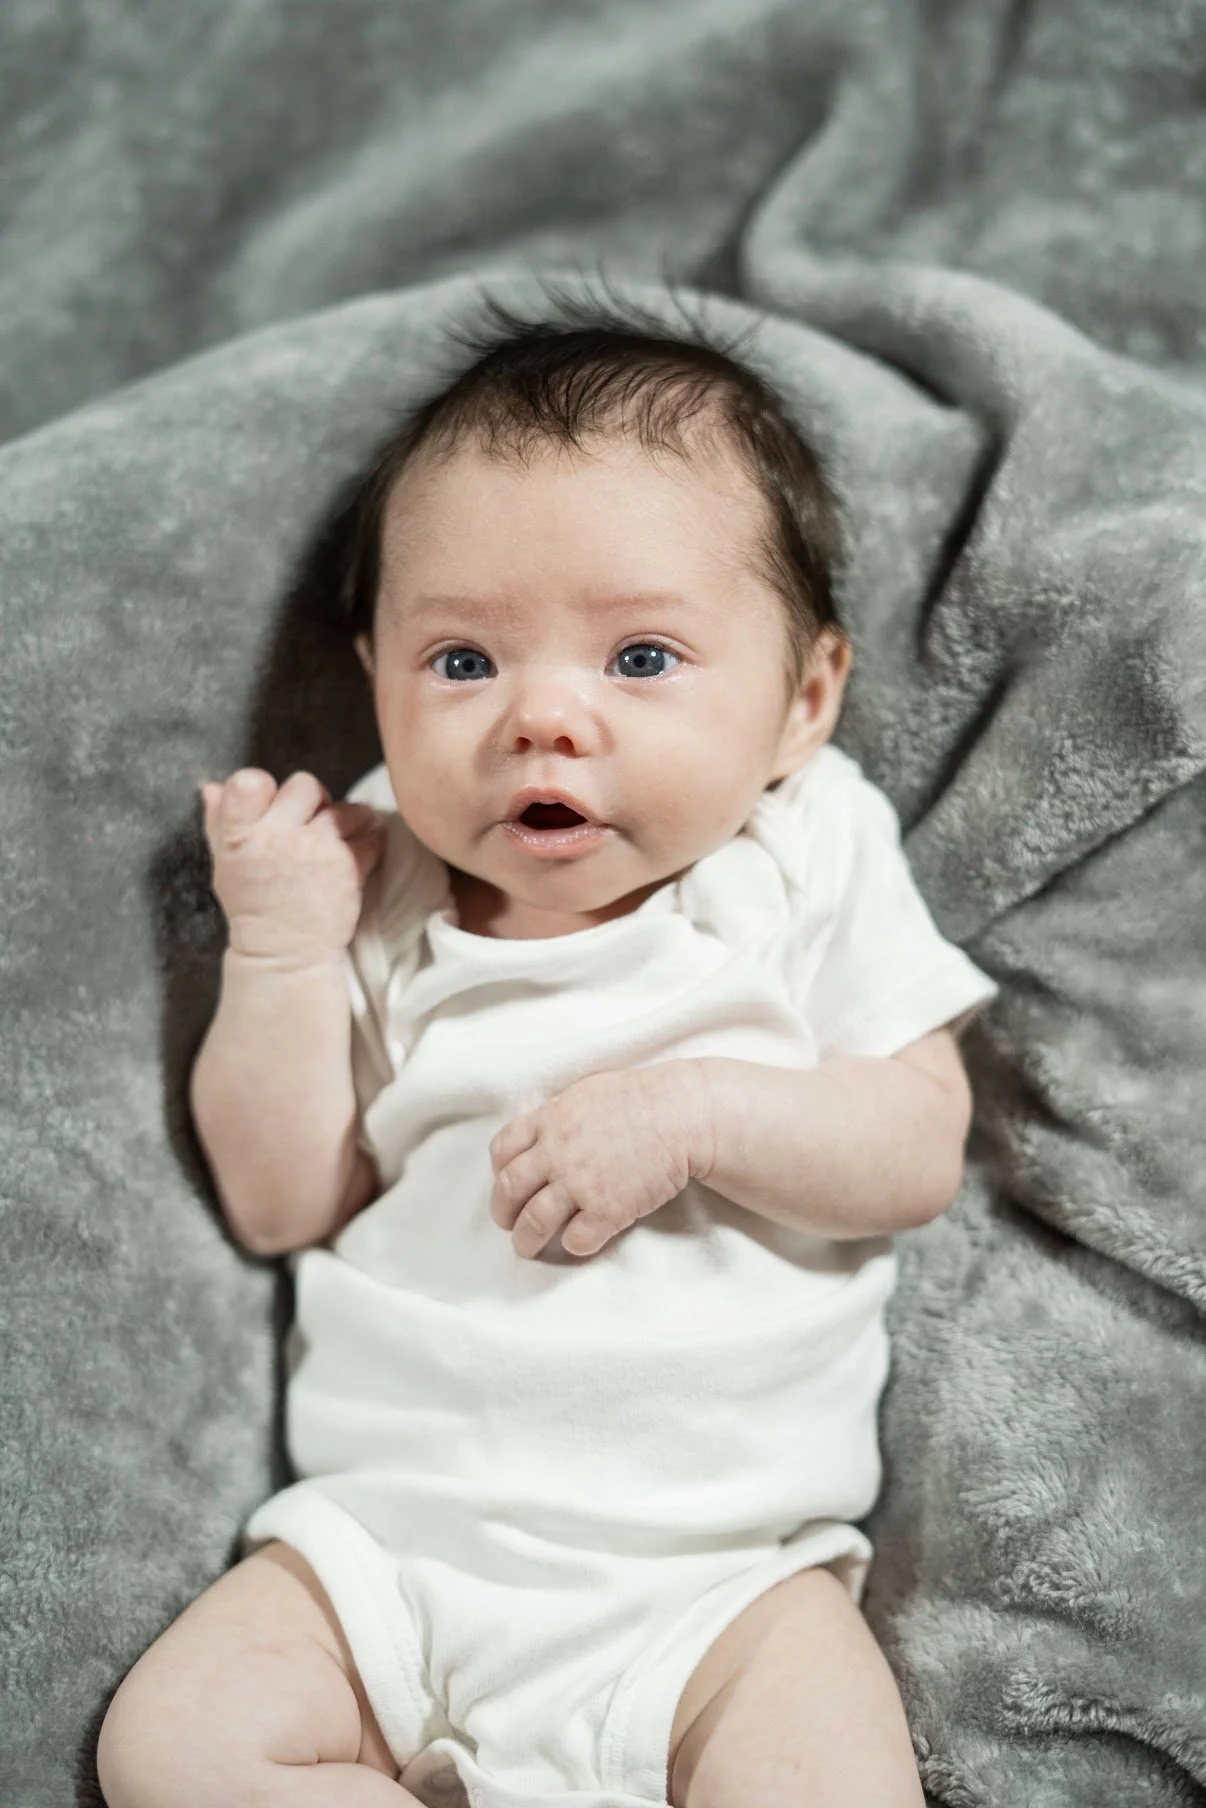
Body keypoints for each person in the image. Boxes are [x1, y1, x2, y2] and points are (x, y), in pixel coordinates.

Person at [97, 299, 998, 1808]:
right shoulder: (374, 872)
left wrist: (702, 1117)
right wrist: (280, 954)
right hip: (388, 1551)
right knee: (167, 1751)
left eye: (640, 656)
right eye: (461, 662)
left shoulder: (801, 848)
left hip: (720, 1584)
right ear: (375, 668)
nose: (543, 720)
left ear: (804, 702)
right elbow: (278, 1203)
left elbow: (914, 1148)